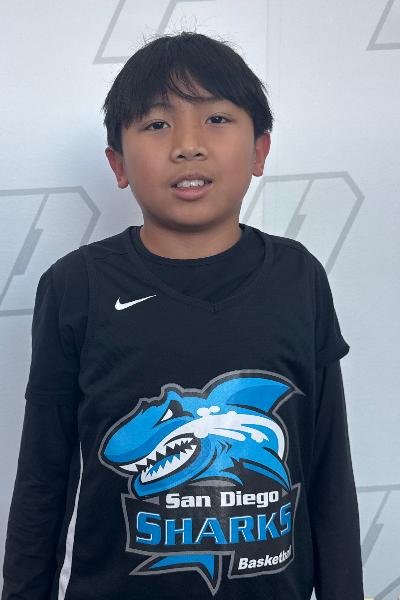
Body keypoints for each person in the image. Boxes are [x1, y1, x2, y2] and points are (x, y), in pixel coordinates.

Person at [2, 31, 364, 600]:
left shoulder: (300, 279)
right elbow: (43, 480)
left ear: (260, 150)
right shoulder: (77, 286)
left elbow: (328, 470)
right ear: (118, 163)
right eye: (156, 123)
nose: (188, 145)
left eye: (217, 119)